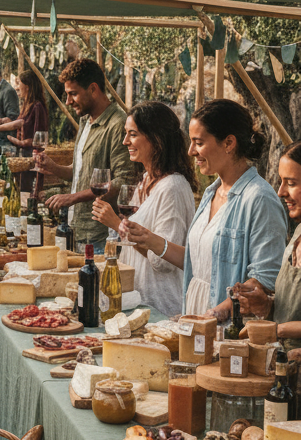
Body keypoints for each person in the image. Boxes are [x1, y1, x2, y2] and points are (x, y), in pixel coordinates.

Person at [119, 99, 286, 320]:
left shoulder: (259, 199)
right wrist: (149, 239)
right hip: (198, 321)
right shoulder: (211, 193)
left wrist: (215, 314)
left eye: (198, 142)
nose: (190, 151)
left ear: (228, 143)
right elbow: (194, 262)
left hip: (230, 331)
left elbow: (262, 282)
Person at [88, 102, 197, 319]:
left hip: (162, 308)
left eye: (132, 134)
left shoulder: (173, 187)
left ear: (156, 139)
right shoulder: (146, 180)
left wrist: (116, 225)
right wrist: (121, 227)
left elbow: (164, 261)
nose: (125, 141)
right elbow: (140, 238)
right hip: (139, 301)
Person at [42, 58, 134, 249]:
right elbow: (80, 172)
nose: (68, 101)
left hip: (100, 234)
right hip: (77, 228)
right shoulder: (86, 120)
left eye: (72, 94)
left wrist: (72, 198)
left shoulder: (117, 125)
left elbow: (123, 181)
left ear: (93, 89)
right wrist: (53, 167)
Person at [236, 141, 301, 357]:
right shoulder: (298, 232)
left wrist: (276, 330)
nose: (281, 192)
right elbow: (292, 309)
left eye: (290, 183)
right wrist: (265, 304)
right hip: (285, 368)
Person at [0, 70, 49, 191]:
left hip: (33, 160)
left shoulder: (37, 106)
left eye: (19, 84)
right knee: (19, 189)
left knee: (29, 191)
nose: (17, 87)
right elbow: (18, 123)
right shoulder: (26, 105)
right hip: (24, 158)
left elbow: (39, 140)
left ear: (28, 87)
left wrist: (19, 143)